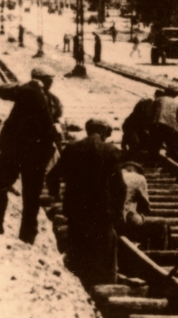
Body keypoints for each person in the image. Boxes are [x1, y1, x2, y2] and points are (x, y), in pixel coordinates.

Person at [47, 119, 126, 287]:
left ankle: (78, 285)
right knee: (103, 249)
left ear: (87, 130)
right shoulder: (110, 150)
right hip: (102, 211)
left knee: (78, 247)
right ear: (104, 132)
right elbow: (120, 187)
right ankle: (102, 286)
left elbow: (52, 176)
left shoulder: (72, 148)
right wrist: (117, 212)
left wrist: (55, 195)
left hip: (76, 209)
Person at [0, 66, 57, 244]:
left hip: (14, 151)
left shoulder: (28, 91)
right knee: (31, 198)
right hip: (36, 155)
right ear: (47, 81)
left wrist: (28, 83)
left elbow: (1, 90)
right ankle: (27, 237)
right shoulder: (50, 98)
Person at [119, 159, 170, 249]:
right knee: (161, 224)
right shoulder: (138, 177)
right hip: (126, 221)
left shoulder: (112, 176)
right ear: (132, 170)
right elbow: (145, 207)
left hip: (108, 222)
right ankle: (158, 258)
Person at [150, 89, 178, 161]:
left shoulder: (158, 100)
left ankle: (152, 163)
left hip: (158, 124)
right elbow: (177, 120)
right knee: (172, 148)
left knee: (154, 147)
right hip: (171, 128)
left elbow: (151, 114)